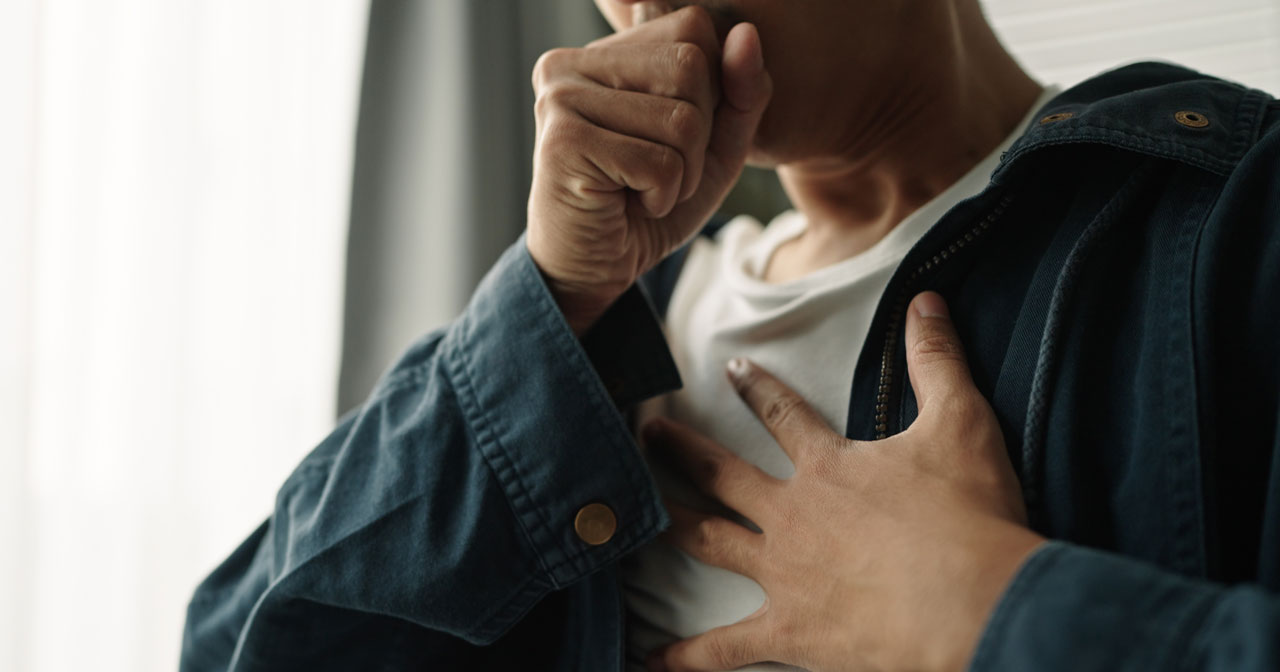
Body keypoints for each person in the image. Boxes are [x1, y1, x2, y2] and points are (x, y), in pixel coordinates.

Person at [181, 0, 1280, 670]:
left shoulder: (1228, 222)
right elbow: (239, 651)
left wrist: (985, 612)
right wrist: (550, 295)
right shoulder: (604, 331)